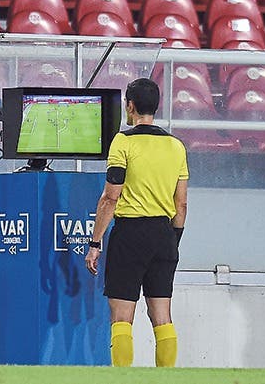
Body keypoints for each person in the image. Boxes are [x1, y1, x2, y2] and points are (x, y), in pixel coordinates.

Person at [84, 77, 188, 367]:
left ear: (129, 106)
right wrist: (172, 240)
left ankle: (122, 379)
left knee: (121, 317)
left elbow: (110, 197)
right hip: (164, 235)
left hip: (130, 234)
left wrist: (95, 242)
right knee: (162, 316)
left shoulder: (123, 142)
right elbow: (181, 204)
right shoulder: (176, 146)